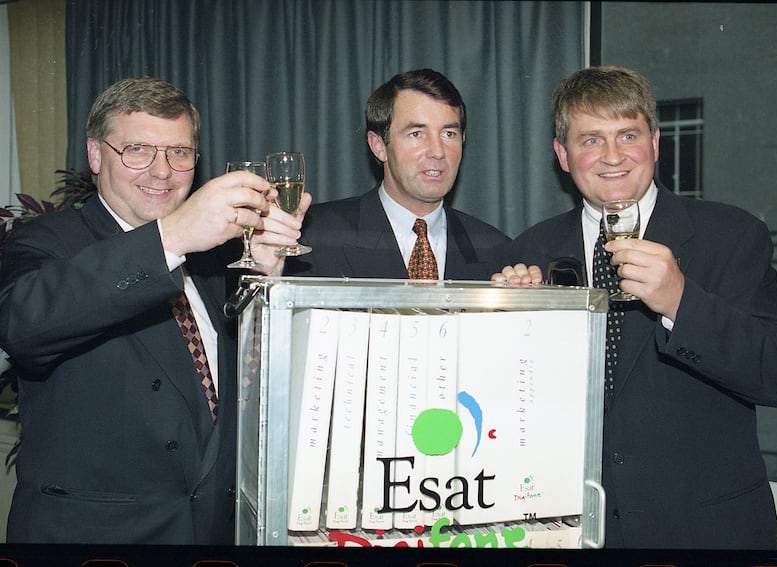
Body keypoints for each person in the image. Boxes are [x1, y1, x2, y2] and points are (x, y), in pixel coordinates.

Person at [494, 66, 777, 549]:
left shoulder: (732, 235)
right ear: (562, 155)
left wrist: (681, 301)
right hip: (571, 530)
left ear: (655, 143)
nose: (612, 157)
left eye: (627, 135)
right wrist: (504, 327)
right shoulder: (531, 248)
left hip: (706, 533)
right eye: (591, 140)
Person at [0, 77, 302, 544]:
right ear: (96, 155)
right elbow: (23, 326)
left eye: (179, 153)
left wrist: (266, 277)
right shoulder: (47, 240)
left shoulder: (211, 256)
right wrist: (171, 237)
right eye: (138, 149)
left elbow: (250, 384)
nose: (162, 171)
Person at [282, 68, 508, 280]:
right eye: (417, 134)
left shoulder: (496, 251)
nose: (438, 152)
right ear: (379, 146)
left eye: (449, 134)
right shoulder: (313, 239)